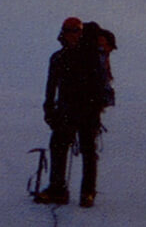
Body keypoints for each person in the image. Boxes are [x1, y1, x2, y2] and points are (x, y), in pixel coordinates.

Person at [35, 17, 114, 208]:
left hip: (85, 111)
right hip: (69, 111)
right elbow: (51, 87)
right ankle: (63, 190)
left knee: (84, 149)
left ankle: (83, 192)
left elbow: (96, 83)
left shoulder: (85, 57)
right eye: (69, 31)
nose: (72, 35)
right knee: (62, 147)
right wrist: (49, 109)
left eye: (75, 31)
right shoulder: (61, 58)